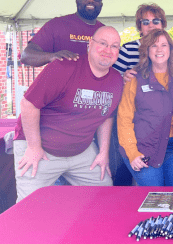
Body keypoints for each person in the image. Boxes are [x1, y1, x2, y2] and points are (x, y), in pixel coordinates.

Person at [13, 26, 123, 202]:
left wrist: (103, 153)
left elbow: (106, 116)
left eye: (114, 46)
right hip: (41, 149)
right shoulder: (64, 67)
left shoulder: (116, 80)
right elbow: (28, 105)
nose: (108, 50)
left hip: (81, 151)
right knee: (29, 208)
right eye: (103, 43)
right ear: (90, 44)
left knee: (104, 197)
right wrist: (34, 147)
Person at [117, 29, 173, 186]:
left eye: (164, 45)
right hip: (143, 148)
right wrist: (132, 153)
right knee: (154, 196)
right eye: (154, 45)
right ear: (146, 51)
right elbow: (124, 119)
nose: (159, 49)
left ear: (171, 50)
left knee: (172, 195)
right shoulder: (134, 78)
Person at [20, 0, 104, 67]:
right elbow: (26, 56)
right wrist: (52, 56)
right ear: (77, 1)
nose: (91, 0)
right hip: (61, 80)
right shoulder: (57, 25)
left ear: (101, 5)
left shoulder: (105, 32)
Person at [113, 3, 167, 81]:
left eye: (156, 21)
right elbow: (113, 78)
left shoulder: (170, 48)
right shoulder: (127, 49)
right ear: (140, 27)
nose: (151, 25)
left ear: (163, 25)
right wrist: (123, 77)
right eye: (145, 22)